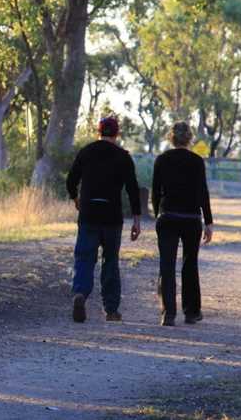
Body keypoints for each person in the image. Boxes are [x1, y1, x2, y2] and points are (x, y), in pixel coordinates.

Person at [66, 116, 142, 323]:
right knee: (110, 261)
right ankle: (111, 310)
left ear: (98, 132)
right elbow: (133, 189)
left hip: (89, 213)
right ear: (117, 134)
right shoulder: (123, 156)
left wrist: (76, 198)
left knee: (84, 257)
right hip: (112, 216)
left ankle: (80, 293)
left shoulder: (86, 152)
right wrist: (136, 219)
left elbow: (71, 180)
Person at [151, 122, 214, 327]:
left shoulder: (162, 160)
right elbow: (202, 192)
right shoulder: (197, 161)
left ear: (171, 138)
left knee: (167, 265)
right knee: (190, 264)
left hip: (168, 216)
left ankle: (168, 313)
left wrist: (157, 214)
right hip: (190, 219)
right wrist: (209, 221)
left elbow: (155, 191)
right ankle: (191, 312)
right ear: (189, 138)